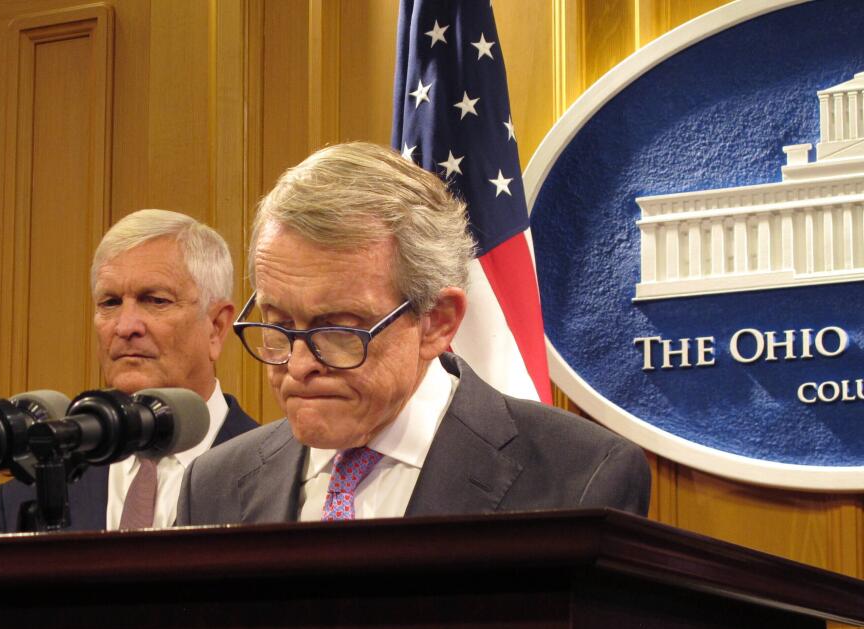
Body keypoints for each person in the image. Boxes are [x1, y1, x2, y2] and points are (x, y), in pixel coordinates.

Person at [177, 142, 650, 526]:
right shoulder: (214, 484)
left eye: (340, 330)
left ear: (438, 321)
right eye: (278, 326)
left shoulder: (582, 477)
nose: (299, 366)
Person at [0, 209, 258, 532]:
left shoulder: (276, 476)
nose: (125, 326)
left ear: (216, 326)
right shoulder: (29, 495)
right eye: (110, 303)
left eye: (156, 300)